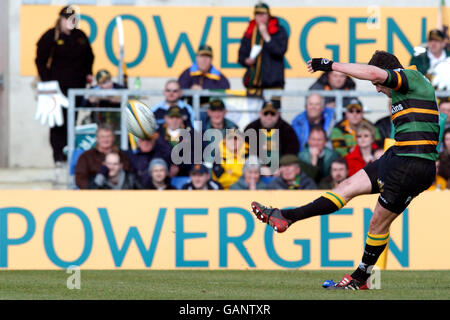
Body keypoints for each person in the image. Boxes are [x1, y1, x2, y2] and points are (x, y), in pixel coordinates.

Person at [251, 51, 440, 290]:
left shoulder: (409, 77)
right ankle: (286, 216)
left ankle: (360, 278)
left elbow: (372, 72)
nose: (378, 89)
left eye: (377, 85)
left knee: (377, 225)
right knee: (346, 187)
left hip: (411, 163)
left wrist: (330, 66)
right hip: (400, 156)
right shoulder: (405, 91)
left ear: (386, 75)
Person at [35, 5, 94, 165]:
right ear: (60, 19)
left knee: (71, 122)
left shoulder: (80, 36)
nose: (70, 22)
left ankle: (69, 155)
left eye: (73, 19)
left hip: (77, 88)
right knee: (57, 124)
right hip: (56, 90)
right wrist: (47, 83)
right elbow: (40, 60)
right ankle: (58, 157)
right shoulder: (51, 36)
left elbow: (89, 57)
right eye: (67, 19)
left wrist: (89, 73)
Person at [238, 2, 288, 99]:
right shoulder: (250, 31)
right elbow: (241, 55)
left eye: (263, 14)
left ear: (268, 15)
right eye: (257, 14)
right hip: (253, 85)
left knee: (272, 113)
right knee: (253, 113)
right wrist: (246, 60)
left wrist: (266, 36)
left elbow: (280, 52)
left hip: (273, 84)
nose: (260, 17)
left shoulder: (278, 30)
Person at [244, 100, 300, 173]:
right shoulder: (251, 128)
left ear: (278, 115)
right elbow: (246, 152)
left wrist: (281, 168)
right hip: (255, 171)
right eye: (266, 113)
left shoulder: (287, 130)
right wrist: (259, 168)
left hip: (280, 171)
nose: (269, 116)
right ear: (260, 114)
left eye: (272, 113)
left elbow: (291, 153)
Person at [75, 124, 130, 189]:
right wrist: (91, 189)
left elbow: (128, 175)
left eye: (108, 136)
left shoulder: (122, 155)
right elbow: (80, 179)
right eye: (102, 137)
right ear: (97, 138)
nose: (105, 140)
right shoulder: (86, 156)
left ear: (113, 138)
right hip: (95, 193)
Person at [157, 105, 193, 176]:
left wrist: (178, 167)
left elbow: (194, 156)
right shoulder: (157, 134)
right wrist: (165, 167)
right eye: (171, 117)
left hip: (186, 174)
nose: (174, 120)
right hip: (161, 173)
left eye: (177, 117)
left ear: (182, 119)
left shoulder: (192, 134)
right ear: (165, 118)